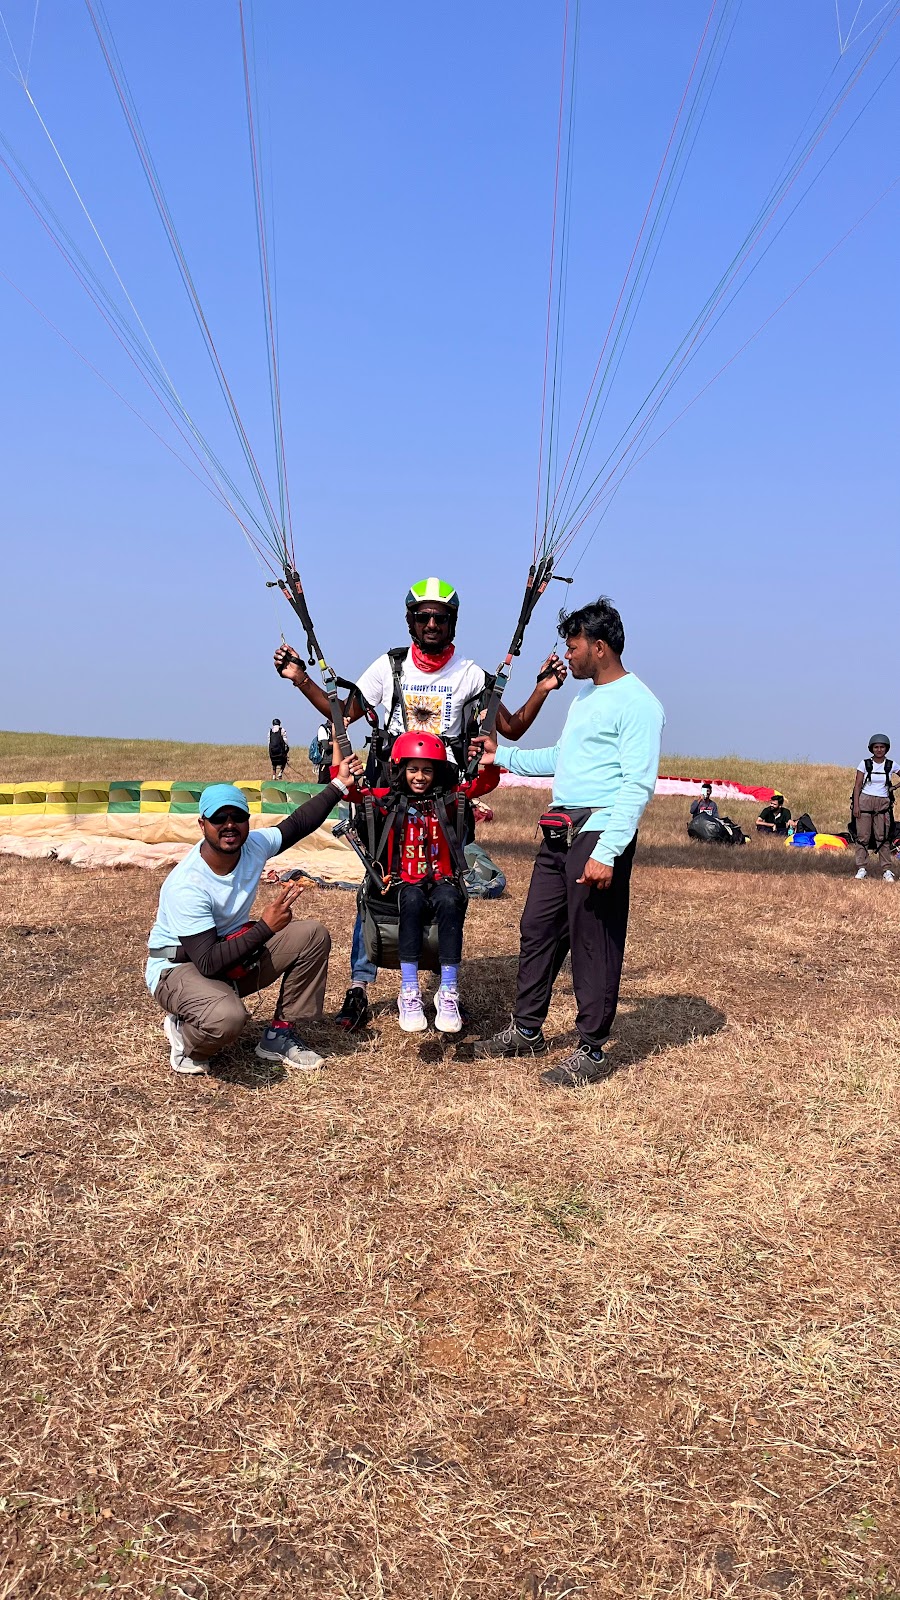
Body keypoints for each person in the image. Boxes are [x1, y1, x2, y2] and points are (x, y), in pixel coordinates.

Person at [274, 576, 566, 1031]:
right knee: (377, 886)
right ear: (411, 621)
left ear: (452, 623)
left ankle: (443, 989)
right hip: (387, 796)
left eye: (440, 617)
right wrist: (301, 680)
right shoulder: (389, 667)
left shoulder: (469, 674)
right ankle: (360, 988)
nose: (432, 623)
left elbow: (509, 728)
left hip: (448, 799)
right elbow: (345, 712)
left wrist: (543, 689)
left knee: (447, 889)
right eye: (423, 616)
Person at [472, 596, 665, 1088]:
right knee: (537, 928)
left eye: (573, 645)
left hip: (597, 832)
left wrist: (607, 852)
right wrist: (503, 759)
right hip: (559, 830)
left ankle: (593, 1049)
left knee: (592, 941)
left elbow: (637, 785)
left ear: (599, 647)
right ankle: (527, 1029)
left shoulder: (639, 703)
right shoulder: (586, 697)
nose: (568, 654)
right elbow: (565, 756)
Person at [145, 768, 357, 1075]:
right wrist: (265, 928)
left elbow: (298, 824)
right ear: (202, 824)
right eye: (219, 818)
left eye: (237, 817)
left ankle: (279, 1036)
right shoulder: (187, 885)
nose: (229, 825)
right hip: (178, 967)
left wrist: (338, 785)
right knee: (226, 1018)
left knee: (312, 935)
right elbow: (206, 962)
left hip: (230, 951)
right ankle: (185, 1035)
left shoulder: (253, 845)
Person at [337, 731, 500, 1034]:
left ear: (437, 772)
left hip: (441, 877)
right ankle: (409, 990)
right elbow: (351, 793)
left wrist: (491, 758)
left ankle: (448, 990)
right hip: (404, 879)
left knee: (451, 902)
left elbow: (485, 783)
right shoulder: (389, 799)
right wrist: (342, 764)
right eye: (413, 769)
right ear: (401, 770)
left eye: (427, 770)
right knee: (411, 902)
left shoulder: (449, 799)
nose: (420, 777)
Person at [852, 734, 897, 881]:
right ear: (871, 748)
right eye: (876, 747)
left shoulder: (891, 765)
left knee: (883, 837)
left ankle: (887, 870)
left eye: (882, 747)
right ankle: (862, 868)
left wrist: (893, 788)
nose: (879, 750)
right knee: (863, 837)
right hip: (865, 801)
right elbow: (857, 785)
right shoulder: (864, 764)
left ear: (886, 748)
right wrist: (856, 806)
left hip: (883, 803)